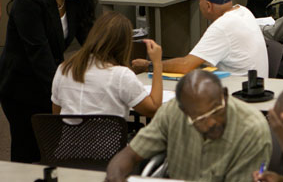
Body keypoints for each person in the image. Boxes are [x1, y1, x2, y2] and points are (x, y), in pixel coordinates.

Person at [0, 0, 102, 163]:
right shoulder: (31, 0)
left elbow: (91, 40)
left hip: (51, 82)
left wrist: (112, 67)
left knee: (50, 149)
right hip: (22, 86)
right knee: (28, 150)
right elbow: (38, 54)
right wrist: (65, 90)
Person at [105, 70, 271, 181]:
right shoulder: (172, 112)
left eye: (217, 110)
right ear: (184, 111)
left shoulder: (252, 130)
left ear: (225, 96)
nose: (211, 122)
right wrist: (115, 175)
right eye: (200, 119)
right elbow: (131, 155)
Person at [132, 0, 269, 77]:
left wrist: (150, 65)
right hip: (254, 89)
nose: (198, 4)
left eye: (199, 0)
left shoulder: (222, 26)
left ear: (208, 6)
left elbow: (186, 65)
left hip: (235, 97)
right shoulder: (244, 11)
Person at [51, 12, 163, 119]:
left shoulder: (64, 68)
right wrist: (157, 64)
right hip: (108, 138)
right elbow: (153, 109)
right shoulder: (121, 75)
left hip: (69, 138)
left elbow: (57, 114)